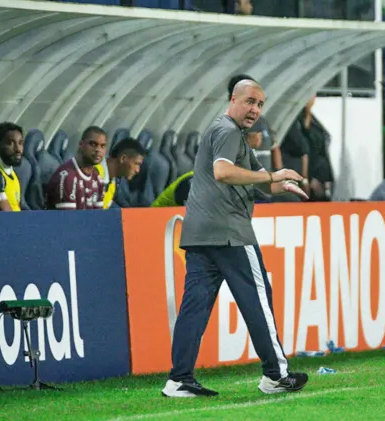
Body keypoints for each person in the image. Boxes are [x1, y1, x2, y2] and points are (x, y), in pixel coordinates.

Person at [162, 79, 309, 398]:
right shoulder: (228, 132)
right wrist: (273, 175)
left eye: (260, 104)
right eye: (250, 101)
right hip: (229, 232)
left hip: (200, 234)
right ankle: (276, 375)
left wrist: (279, 184)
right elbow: (223, 172)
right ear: (233, 99)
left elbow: (258, 181)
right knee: (258, 297)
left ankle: (178, 379)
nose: (255, 109)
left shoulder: (225, 132)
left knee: (195, 307)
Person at [46, 126, 107, 210]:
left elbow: (99, 217)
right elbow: (69, 220)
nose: (98, 150)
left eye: (102, 146)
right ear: (81, 145)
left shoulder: (97, 178)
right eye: (93, 144)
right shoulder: (67, 176)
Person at [95, 137, 146, 210]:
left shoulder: (113, 183)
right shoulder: (92, 175)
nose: (137, 170)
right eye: (136, 163)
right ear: (123, 158)